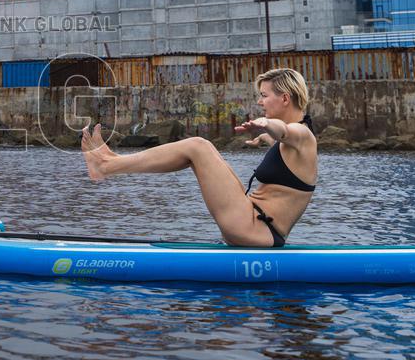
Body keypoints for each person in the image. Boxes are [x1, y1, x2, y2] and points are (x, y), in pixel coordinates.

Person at [81, 68, 317, 247]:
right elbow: (282, 142)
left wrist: (267, 125)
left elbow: (284, 131)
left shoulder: (302, 135)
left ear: (285, 99)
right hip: (252, 222)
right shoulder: (294, 144)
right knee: (205, 149)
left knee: (198, 146)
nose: (259, 101)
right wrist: (264, 139)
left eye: (264, 95)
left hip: (255, 228)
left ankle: (105, 166)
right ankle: (110, 159)